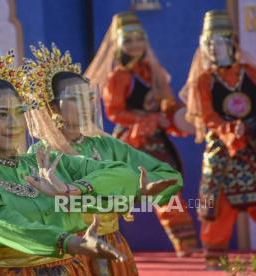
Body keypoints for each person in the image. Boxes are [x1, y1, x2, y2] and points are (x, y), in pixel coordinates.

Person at [0, 40, 181, 275]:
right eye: (1, 114)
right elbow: (9, 226)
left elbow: (117, 170)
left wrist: (73, 189)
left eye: (19, 112)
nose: (14, 124)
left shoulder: (43, 161)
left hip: (70, 267)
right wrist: (69, 241)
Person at [25, 42, 185, 275]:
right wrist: (120, 192)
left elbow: (169, 174)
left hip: (110, 243)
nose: (85, 106)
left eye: (88, 97)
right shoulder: (41, 154)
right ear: (53, 108)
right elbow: (44, 206)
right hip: (68, 250)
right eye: (73, 98)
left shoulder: (107, 145)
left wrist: (145, 190)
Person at [85, 12, 198, 257]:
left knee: (167, 189)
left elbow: (166, 104)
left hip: (156, 142)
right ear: (119, 44)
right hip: (131, 141)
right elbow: (115, 112)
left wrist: (176, 115)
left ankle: (186, 247)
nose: (134, 45)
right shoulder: (119, 76)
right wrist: (147, 119)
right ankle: (98, 239)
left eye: (139, 39)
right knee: (116, 194)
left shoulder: (152, 72)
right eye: (128, 40)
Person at [180, 10, 256, 269]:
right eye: (211, 44)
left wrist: (248, 128)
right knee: (217, 202)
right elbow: (207, 115)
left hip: (252, 143)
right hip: (222, 148)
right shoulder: (203, 80)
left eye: (221, 41)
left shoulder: (250, 72)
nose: (216, 48)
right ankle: (215, 258)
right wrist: (229, 131)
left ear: (232, 43)